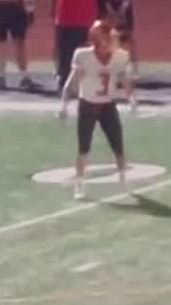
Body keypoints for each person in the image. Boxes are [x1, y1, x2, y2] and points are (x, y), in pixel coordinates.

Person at [57, 22, 135, 201]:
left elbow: (124, 79)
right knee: (83, 148)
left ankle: (124, 180)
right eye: (107, 38)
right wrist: (64, 104)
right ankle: (79, 184)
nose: (112, 40)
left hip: (108, 105)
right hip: (88, 105)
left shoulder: (120, 56)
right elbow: (71, 82)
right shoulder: (83, 56)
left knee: (118, 146)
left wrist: (131, 99)